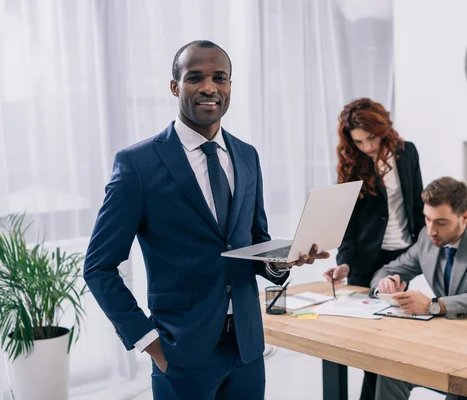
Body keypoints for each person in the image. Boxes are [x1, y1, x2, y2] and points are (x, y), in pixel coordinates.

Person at [83, 40, 329, 400]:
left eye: (220, 78)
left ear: (230, 86)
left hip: (247, 348)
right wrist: (150, 343)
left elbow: (254, 239)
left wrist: (284, 260)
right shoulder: (137, 164)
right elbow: (98, 266)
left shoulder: (247, 155)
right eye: (195, 77)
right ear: (174, 87)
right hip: (180, 352)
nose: (209, 87)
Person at [370, 176, 467, 400]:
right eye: (427, 219)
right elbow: (387, 270)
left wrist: (433, 306)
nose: (431, 230)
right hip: (444, 345)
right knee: (391, 371)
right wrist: (384, 285)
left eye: (441, 222)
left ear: (464, 217)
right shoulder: (427, 239)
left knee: (462, 391)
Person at [322, 97, 425, 400]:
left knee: (390, 345)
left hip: (403, 256)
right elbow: (347, 223)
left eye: (370, 138)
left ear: (383, 129)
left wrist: (424, 252)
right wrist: (346, 264)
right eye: (358, 141)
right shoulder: (353, 164)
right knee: (375, 349)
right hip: (367, 263)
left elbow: (416, 204)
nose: (366, 146)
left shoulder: (407, 152)